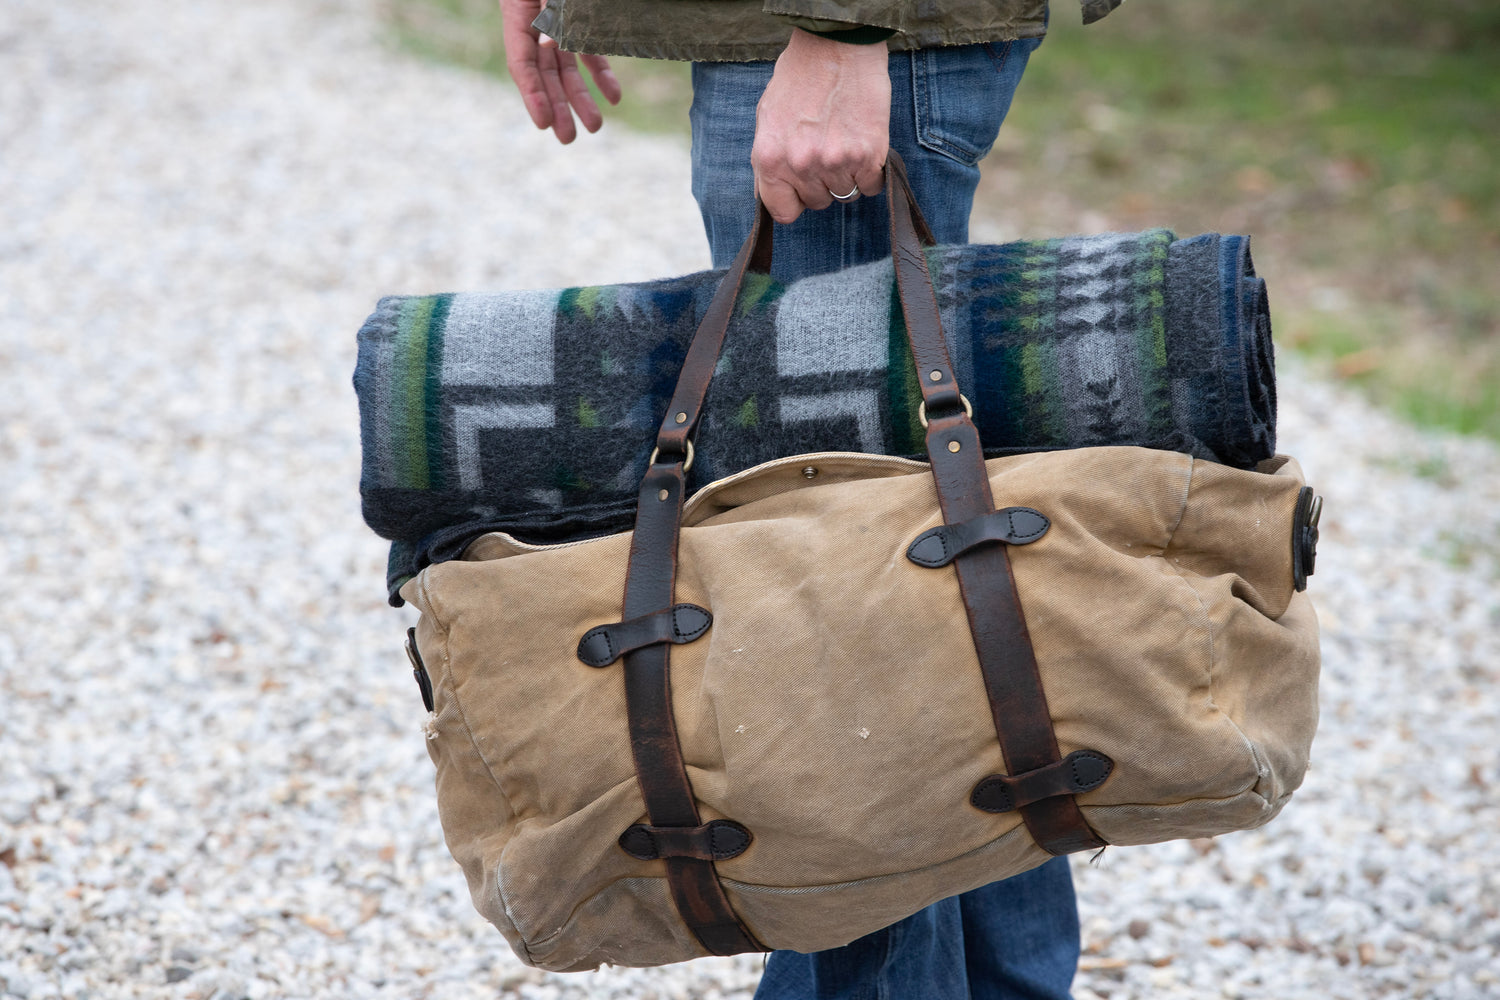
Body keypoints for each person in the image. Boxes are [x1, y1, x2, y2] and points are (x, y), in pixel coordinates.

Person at [494, 2, 1122, 996]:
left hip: (835, 30)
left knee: (843, 580)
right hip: (790, 28)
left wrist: (844, 32)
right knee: (915, 545)